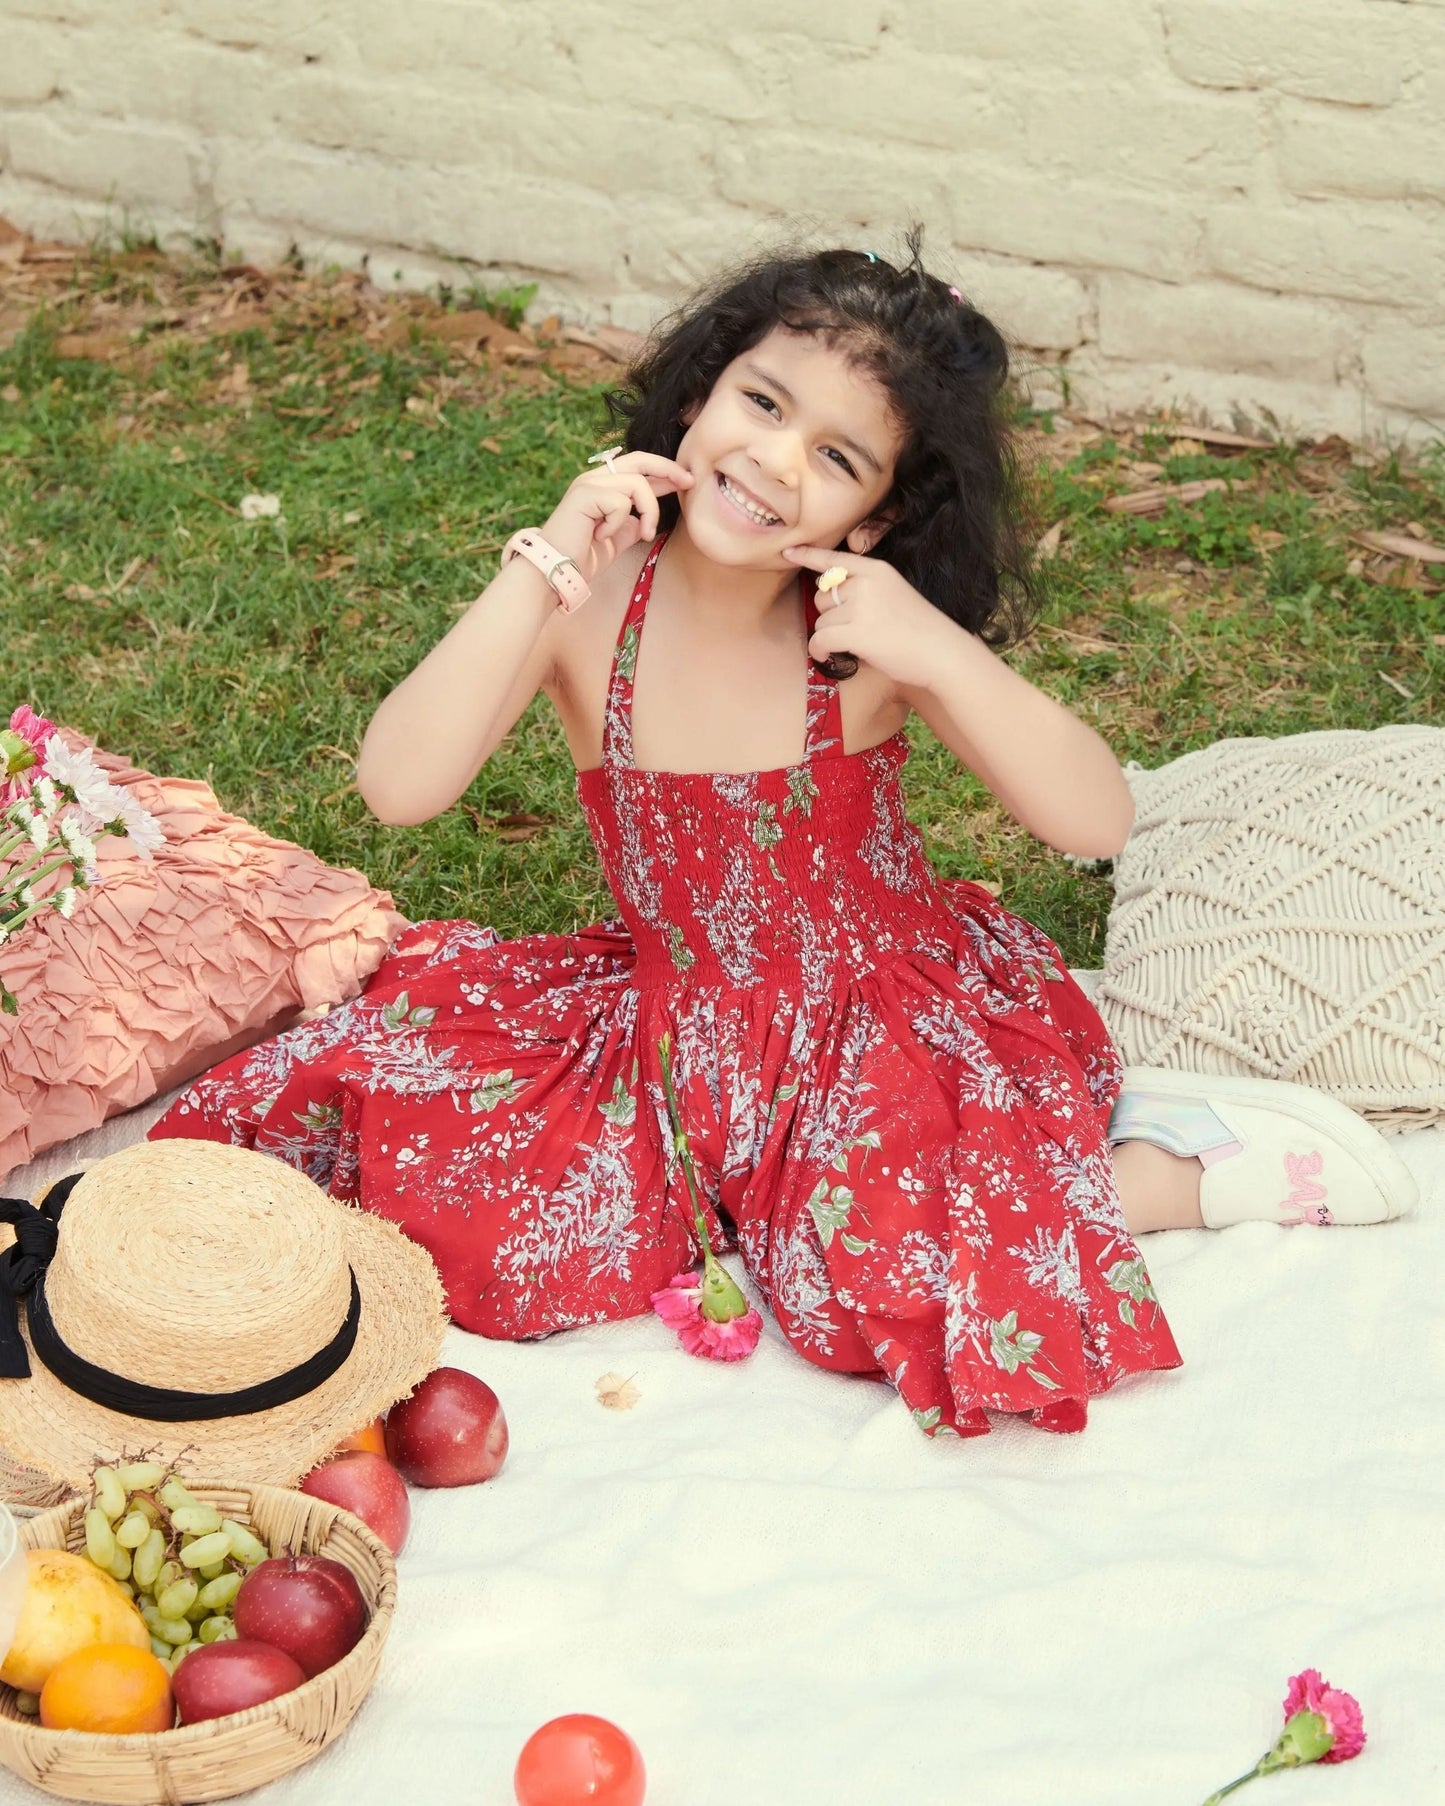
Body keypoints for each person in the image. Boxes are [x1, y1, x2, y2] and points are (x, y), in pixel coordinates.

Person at [150, 237, 1416, 1438]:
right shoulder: (586, 611)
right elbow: (398, 786)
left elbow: (1096, 819)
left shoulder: (852, 638)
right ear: (699, 396)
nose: (772, 461)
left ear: (870, 518)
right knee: (488, 1223)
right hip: (674, 1019)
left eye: (836, 457)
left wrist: (933, 649)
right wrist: (542, 563)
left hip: (876, 1019)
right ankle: (890, 1175)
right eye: (760, 405)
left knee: (868, 1270)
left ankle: (1170, 1170)